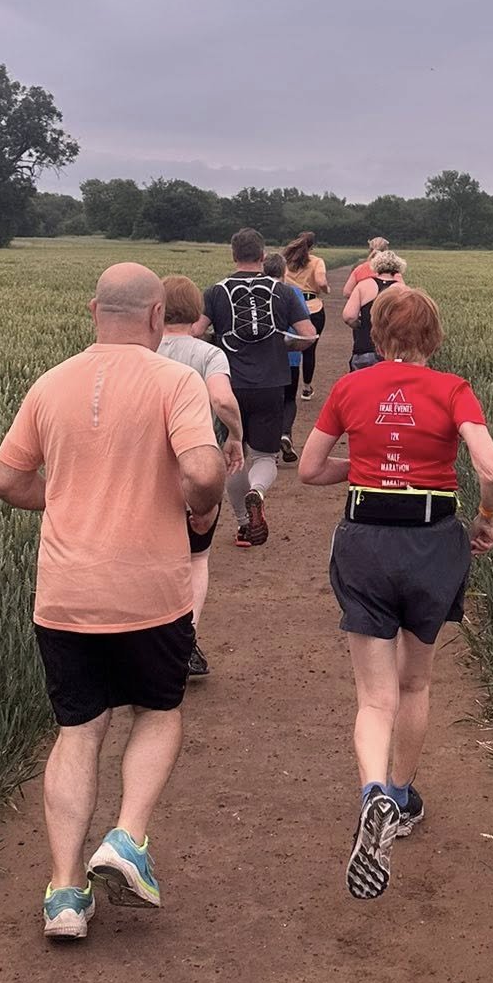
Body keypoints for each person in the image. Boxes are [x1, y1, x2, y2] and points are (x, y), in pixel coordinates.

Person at [0, 263, 225, 940]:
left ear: (95, 309)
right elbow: (205, 471)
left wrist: (60, 498)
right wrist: (199, 507)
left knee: (78, 729)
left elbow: (4, 480)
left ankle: (64, 895)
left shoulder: (51, 382)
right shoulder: (174, 381)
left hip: (64, 592)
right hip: (149, 589)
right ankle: (126, 838)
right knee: (157, 712)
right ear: (158, 316)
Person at [298, 284, 493, 900]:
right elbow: (490, 470)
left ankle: (371, 793)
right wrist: (486, 519)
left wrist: (362, 466)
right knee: (416, 681)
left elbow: (309, 470)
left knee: (373, 694)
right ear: (433, 338)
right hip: (431, 540)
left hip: (364, 540)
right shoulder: (452, 389)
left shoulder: (350, 388)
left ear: (378, 334)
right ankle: (403, 797)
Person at [199, 229, 316, 547]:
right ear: (263, 257)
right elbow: (307, 336)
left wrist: (217, 341)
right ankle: (258, 491)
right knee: (265, 456)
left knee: (234, 454)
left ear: (232, 255)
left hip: (229, 384)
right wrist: (281, 341)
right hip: (272, 383)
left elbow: (195, 331)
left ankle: (241, 526)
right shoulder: (284, 292)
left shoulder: (216, 291)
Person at [159, 275, 245, 679]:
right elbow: (223, 399)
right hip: (194, 472)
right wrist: (235, 435)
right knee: (196, 558)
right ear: (198, 313)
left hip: (146, 473)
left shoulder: (140, 350)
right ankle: (185, 641)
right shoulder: (208, 354)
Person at [263, 251, 309, 464]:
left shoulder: (257, 292)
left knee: (270, 400)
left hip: (264, 356)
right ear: (284, 271)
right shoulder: (293, 293)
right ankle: (285, 433)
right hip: (290, 355)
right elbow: (304, 323)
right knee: (289, 399)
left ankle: (268, 445)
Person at [284, 231, 329, 400]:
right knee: (309, 349)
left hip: (289, 304)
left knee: (288, 347)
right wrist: (326, 290)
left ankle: (287, 384)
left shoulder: (286, 261)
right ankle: (306, 387)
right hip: (312, 306)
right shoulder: (317, 262)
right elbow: (322, 282)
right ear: (313, 246)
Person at [343, 249, 405, 370]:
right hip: (392, 352)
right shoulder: (402, 290)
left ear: (375, 266)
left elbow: (349, 316)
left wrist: (360, 326)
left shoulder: (363, 285)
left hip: (365, 348)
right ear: (398, 267)